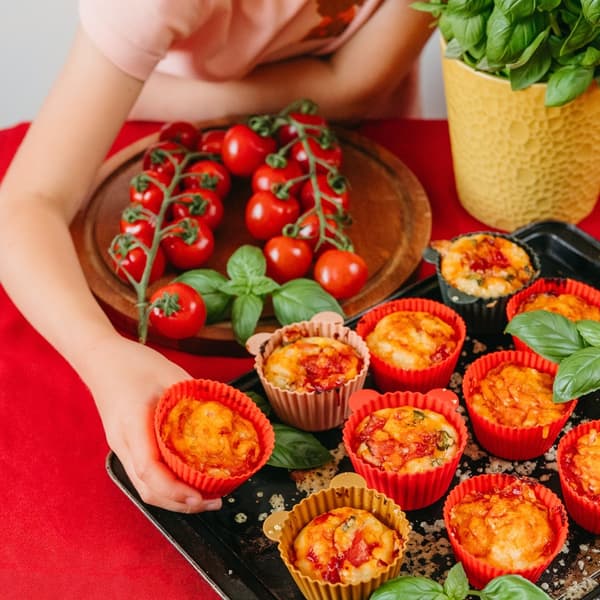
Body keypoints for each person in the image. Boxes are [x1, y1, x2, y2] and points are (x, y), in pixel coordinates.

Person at [0, 0, 433, 513]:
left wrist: (160, 93)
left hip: (359, 140)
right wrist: (100, 352)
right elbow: (24, 206)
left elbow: (358, 83)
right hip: (173, 149)